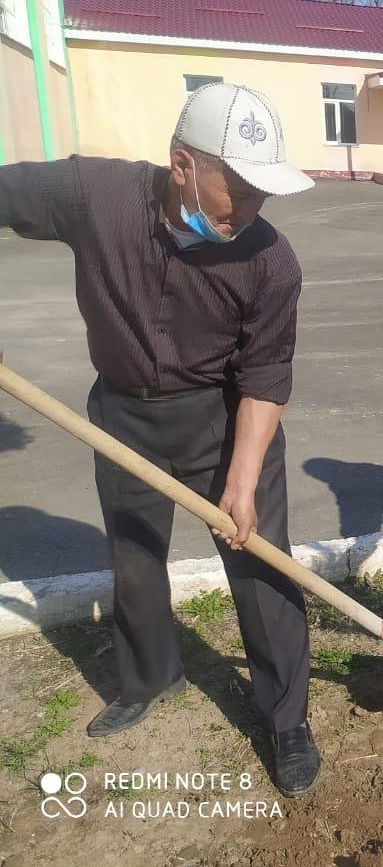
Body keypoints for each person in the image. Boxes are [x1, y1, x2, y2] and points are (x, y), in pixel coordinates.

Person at [0, 84, 322, 797]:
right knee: (135, 554)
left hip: (226, 419)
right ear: (183, 165)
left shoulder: (271, 261)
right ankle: (149, 678)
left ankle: (288, 718)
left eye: (263, 194)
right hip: (123, 414)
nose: (252, 209)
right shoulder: (95, 195)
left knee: (261, 563)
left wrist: (242, 480)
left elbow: (266, 377)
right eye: (240, 190)